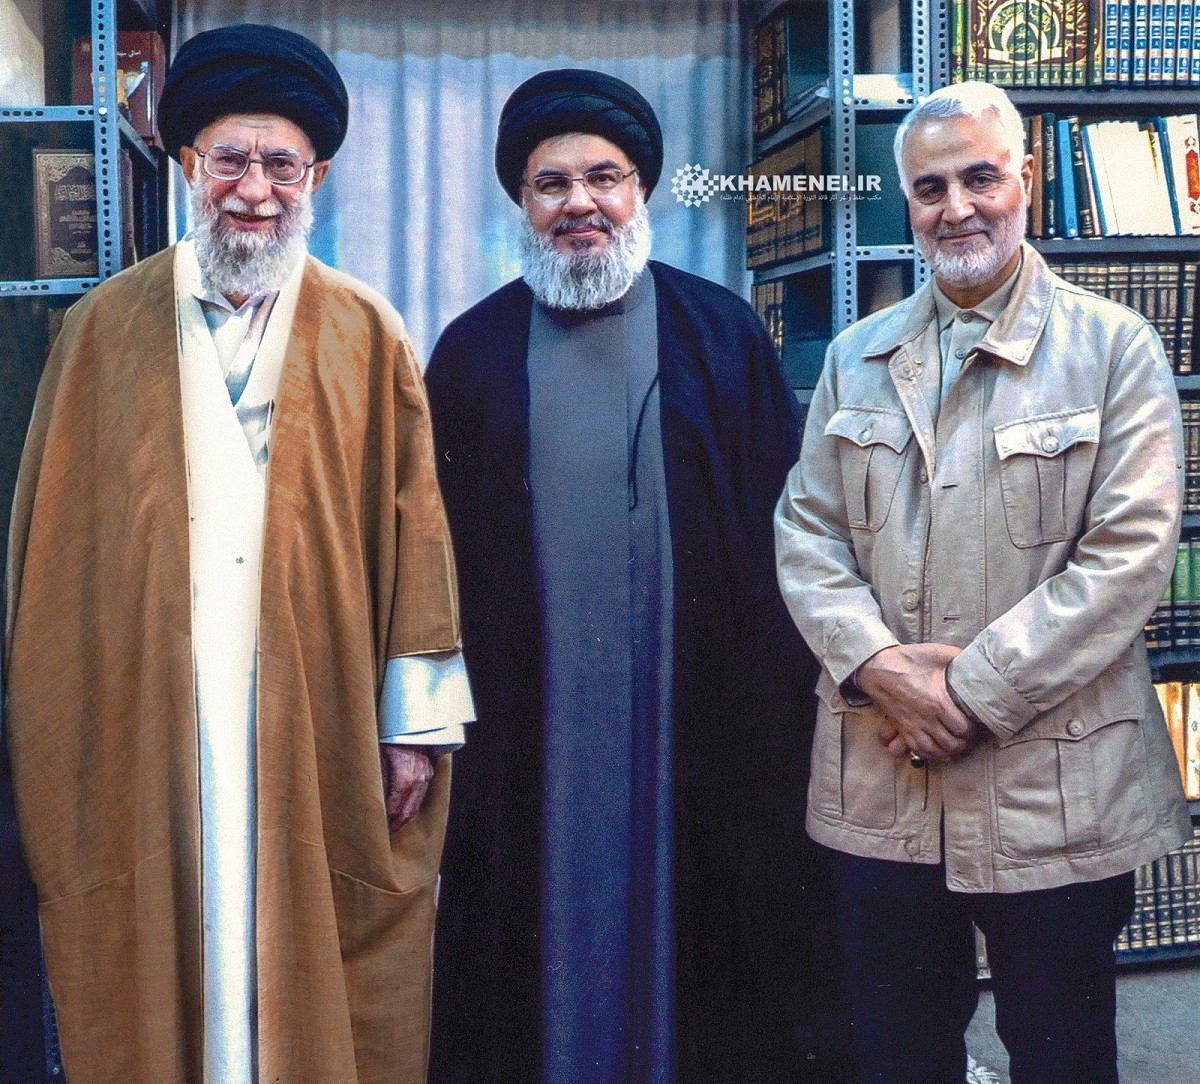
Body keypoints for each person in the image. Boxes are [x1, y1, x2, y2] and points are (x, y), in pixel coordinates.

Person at [4, 24, 472, 1083]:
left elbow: (420, 534)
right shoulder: (103, 329)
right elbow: (55, 554)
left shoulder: (367, 331)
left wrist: (413, 726)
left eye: (280, 165)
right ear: (186, 164)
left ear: (317, 178)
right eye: (229, 160)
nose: (253, 191)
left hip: (318, 707)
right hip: (152, 713)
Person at [424, 68, 846, 1084]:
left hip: (699, 728)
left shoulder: (723, 332)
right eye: (551, 184)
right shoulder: (469, 354)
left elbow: (786, 543)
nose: (580, 203)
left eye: (603, 177)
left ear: (640, 188)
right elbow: (431, 564)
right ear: (522, 202)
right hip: (528, 735)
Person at [775, 80, 1194, 1084]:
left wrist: (960, 694)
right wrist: (881, 668)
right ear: (907, 202)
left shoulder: (1114, 349)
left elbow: (1129, 554)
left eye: (980, 178)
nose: (956, 207)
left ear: (1027, 179)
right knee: (896, 1054)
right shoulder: (856, 356)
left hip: (1054, 791)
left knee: (1062, 1055)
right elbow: (806, 531)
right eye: (930, 188)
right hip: (883, 784)